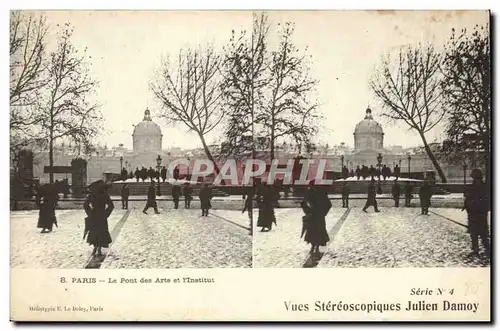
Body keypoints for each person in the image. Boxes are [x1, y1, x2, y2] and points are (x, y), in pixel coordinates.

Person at [463, 169, 490, 258]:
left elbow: (487, 199)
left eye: (476, 177)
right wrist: (467, 205)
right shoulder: (477, 187)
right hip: (474, 213)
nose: (475, 179)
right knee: (475, 232)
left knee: (482, 232)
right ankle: (476, 248)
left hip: (480, 212)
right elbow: (467, 199)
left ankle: (486, 248)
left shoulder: (483, 187)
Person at [301, 181, 332, 257]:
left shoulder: (320, 193)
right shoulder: (310, 193)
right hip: (313, 216)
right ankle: (313, 246)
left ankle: (316, 247)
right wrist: (307, 211)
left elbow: (328, 204)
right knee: (313, 231)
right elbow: (303, 203)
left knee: (317, 231)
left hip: (318, 216)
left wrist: (323, 213)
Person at [83, 180, 114, 256]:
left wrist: (90, 213)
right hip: (102, 215)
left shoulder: (92, 195)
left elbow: (85, 205)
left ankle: (95, 247)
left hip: (94, 215)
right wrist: (106, 214)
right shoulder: (104, 194)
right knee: (101, 232)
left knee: (94, 231)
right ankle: (99, 248)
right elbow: (111, 206)